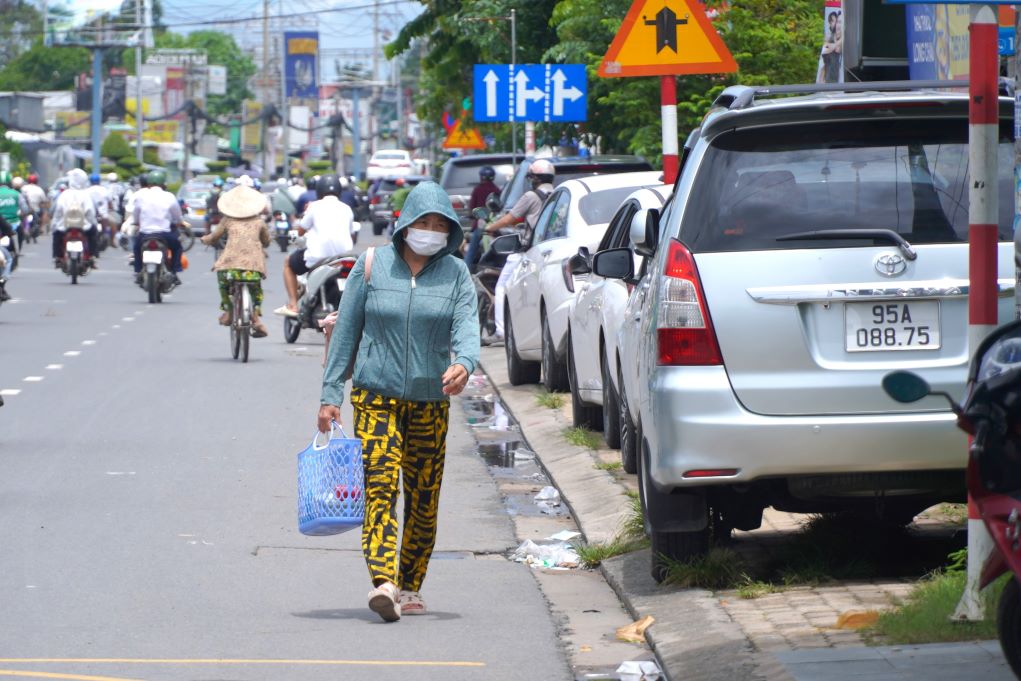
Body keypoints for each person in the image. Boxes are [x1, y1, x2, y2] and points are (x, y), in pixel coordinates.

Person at [317, 181, 480, 623]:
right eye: (422, 222)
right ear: (405, 224)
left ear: (449, 232)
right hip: (375, 397)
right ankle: (384, 581)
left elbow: (468, 326)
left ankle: (411, 583)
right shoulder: (372, 265)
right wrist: (331, 394)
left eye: (438, 225)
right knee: (381, 487)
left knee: (424, 496)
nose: (429, 231)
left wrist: (464, 362)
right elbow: (347, 331)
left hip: (430, 400)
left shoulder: (456, 274)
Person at [484, 159, 555, 342]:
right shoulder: (557, 195)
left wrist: (491, 227)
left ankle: (501, 331)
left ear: (534, 179)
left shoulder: (530, 197)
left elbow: (510, 218)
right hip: (550, 251)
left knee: (502, 287)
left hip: (528, 252)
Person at [274, 174, 355, 317]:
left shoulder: (314, 206)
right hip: (344, 257)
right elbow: (351, 233)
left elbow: (300, 230)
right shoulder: (346, 208)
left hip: (319, 258)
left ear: (319, 190)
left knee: (288, 263)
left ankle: (293, 305)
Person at [200, 182, 271, 337]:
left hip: (230, 267)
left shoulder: (227, 220)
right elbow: (266, 241)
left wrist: (205, 239)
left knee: (223, 283)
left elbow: (214, 237)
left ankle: (228, 311)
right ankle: (256, 318)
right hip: (253, 268)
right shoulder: (259, 221)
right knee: (256, 290)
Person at [132, 169, 184, 286]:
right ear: (163, 183)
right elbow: (177, 215)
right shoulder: (169, 196)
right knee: (177, 248)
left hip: (145, 233)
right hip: (164, 234)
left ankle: (138, 271)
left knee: (136, 248)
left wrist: (136, 222)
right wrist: (179, 222)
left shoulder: (141, 196)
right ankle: (175, 272)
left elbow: (136, 214)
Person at [51, 168, 99, 266]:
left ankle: (58, 257)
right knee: (93, 234)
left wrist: (54, 226)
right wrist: (94, 224)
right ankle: (92, 256)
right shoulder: (86, 195)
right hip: (84, 226)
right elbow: (90, 213)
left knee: (56, 236)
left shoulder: (64, 194)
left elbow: (58, 213)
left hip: (64, 226)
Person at [464, 166, 502, 270]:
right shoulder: (497, 190)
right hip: (493, 224)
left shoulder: (477, 190)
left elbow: (472, 208)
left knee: (471, 250)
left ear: (481, 177)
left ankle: (465, 270)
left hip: (480, 224)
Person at [0, 172, 28, 250]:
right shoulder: (16, 194)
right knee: (21, 233)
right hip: (14, 224)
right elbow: (25, 210)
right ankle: (17, 251)